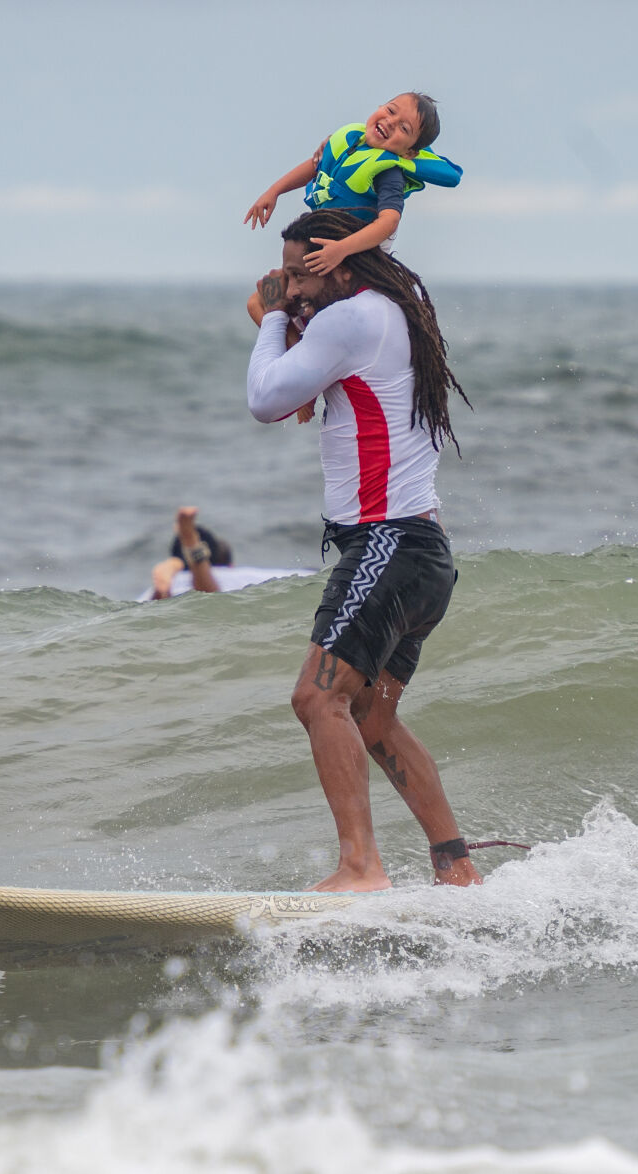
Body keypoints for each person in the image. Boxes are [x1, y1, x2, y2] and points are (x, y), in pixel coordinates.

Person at [245, 208, 478, 892]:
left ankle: (360, 866)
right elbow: (302, 391)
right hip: (424, 555)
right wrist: (290, 313)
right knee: (371, 716)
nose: (293, 288)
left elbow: (265, 399)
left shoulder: (348, 320)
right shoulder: (399, 311)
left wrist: (266, 318)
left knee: (318, 702)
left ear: (339, 263)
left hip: (385, 542)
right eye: (286, 277)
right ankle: (456, 867)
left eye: (300, 273)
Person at [245, 92, 461, 276]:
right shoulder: (351, 141)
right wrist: (274, 192)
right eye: (391, 110)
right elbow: (316, 167)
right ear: (380, 106)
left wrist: (341, 249)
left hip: (357, 257)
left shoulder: (389, 172)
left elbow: (389, 222)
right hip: (327, 242)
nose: (390, 122)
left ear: (410, 152)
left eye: (404, 128)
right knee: (258, 301)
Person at [149, 506, 234, 600]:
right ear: (230, 565)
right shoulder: (242, 574)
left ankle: (191, 553)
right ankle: (194, 551)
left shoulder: (175, 580)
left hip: (170, 595)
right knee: (211, 598)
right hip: (217, 596)